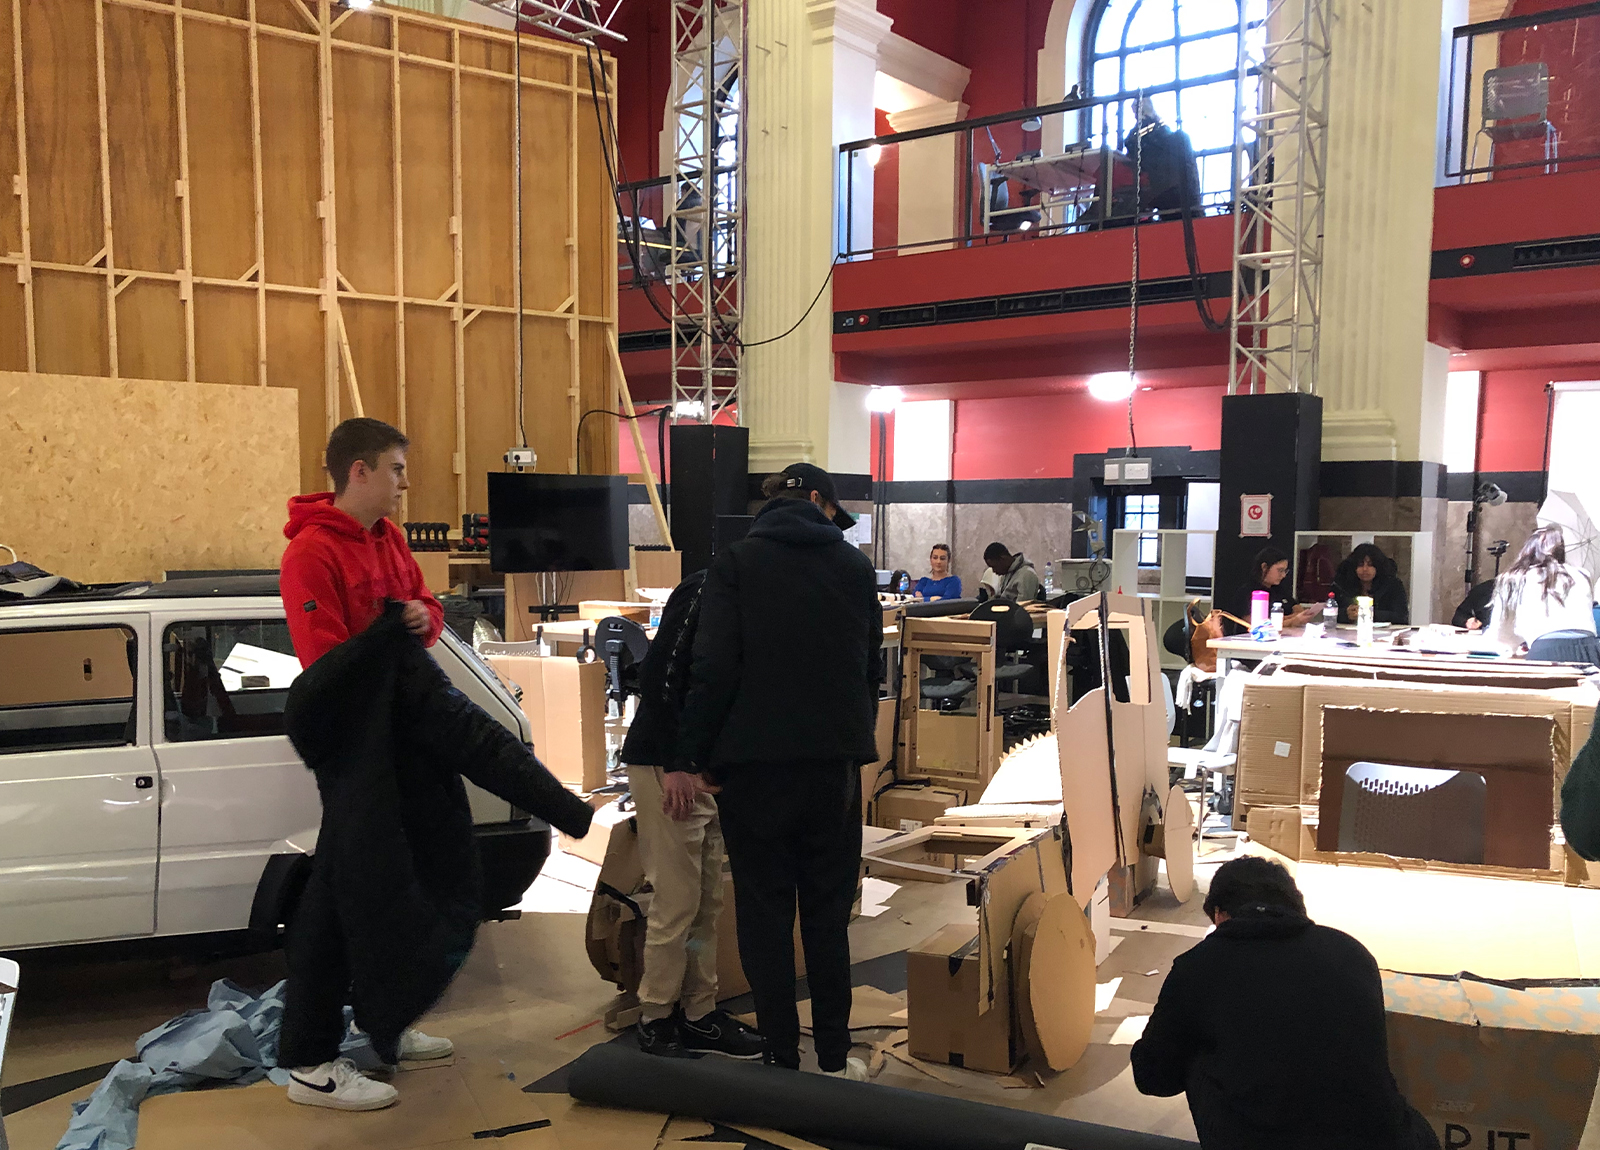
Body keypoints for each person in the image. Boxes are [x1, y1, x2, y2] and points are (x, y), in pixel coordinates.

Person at [276, 418, 593, 1111]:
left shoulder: (389, 540)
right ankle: (310, 1063)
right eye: (394, 469)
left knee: (415, 882)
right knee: (342, 896)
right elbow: (325, 666)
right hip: (359, 745)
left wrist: (417, 618)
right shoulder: (309, 556)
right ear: (358, 472)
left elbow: (423, 605)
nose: (403, 484)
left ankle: (383, 1024)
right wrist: (391, 636)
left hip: (406, 727)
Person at [677, 462, 882, 1081]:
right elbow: (870, 670)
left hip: (754, 767)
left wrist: (696, 757)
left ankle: (778, 1058)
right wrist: (853, 742)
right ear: (820, 502)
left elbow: (712, 669)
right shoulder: (854, 567)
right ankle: (836, 1057)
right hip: (832, 767)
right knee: (827, 915)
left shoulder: (736, 564)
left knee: (764, 915)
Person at [1130, 856, 1439, 1150]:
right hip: (1391, 1141)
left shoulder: (1198, 966)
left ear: (1220, 913)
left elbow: (1154, 1078)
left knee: (1195, 1052)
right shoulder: (1351, 952)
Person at [618, 570, 766, 1061]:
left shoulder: (751, 593)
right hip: (669, 763)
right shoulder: (710, 586)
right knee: (677, 900)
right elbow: (660, 672)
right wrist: (677, 762)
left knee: (706, 900)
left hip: (699, 766)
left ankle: (699, 1013)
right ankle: (656, 1018)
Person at [1488, 524, 1600, 663]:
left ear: (1528, 549)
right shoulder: (1582, 574)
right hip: (1590, 649)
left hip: (1546, 649)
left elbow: (1501, 631)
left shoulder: (1514, 578)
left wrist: (1512, 647)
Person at [1222, 546, 1321, 635]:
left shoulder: (1279, 589)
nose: (1283, 575)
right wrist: (1292, 620)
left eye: (1285, 571)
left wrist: (1283, 620)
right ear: (1264, 567)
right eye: (1280, 570)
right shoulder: (1247, 591)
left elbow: (1298, 610)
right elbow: (1256, 624)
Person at [1332, 543, 1409, 625]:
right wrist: (1346, 614)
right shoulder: (1341, 585)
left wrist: (1369, 613)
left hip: (1385, 634)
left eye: (1370, 565)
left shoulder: (1393, 585)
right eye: (1360, 565)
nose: (1365, 569)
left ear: (1378, 566)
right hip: (1347, 633)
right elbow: (1329, 615)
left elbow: (1401, 617)